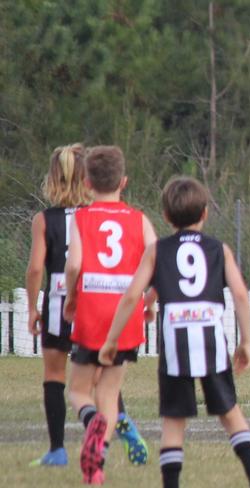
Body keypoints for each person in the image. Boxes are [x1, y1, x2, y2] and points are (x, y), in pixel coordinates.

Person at [98, 176, 250, 488]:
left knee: (174, 422)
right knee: (230, 413)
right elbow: (241, 295)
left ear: (165, 217)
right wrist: (245, 342)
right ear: (205, 213)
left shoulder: (157, 250)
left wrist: (112, 339)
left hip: (176, 342)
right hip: (211, 340)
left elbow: (132, 296)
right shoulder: (219, 249)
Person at [25, 144, 148, 468]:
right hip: (98, 301)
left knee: (56, 375)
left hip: (61, 302)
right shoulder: (101, 215)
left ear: (53, 179)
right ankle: (120, 420)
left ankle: (57, 449)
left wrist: (32, 308)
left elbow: (37, 267)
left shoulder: (46, 219)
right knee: (103, 373)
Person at [63, 145, 158, 483]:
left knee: (77, 391)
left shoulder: (82, 218)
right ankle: (96, 466)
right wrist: (148, 302)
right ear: (124, 182)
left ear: (86, 183)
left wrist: (71, 298)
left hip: (92, 312)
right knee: (109, 393)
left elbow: (74, 264)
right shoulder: (139, 220)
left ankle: (91, 423)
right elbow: (157, 262)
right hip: (126, 317)